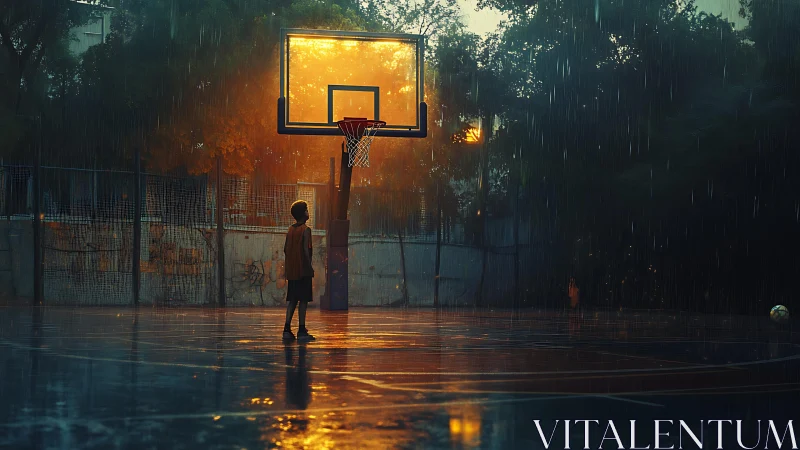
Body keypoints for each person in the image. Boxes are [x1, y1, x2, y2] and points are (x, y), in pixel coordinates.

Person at [282, 200, 315, 341]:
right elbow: (306, 252)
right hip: (303, 271)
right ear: (304, 213)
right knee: (303, 301)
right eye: (307, 209)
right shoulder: (306, 230)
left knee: (292, 301)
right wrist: (309, 267)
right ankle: (301, 330)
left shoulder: (290, 230)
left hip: (292, 272)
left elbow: (285, 249)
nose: (308, 211)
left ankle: (286, 329)